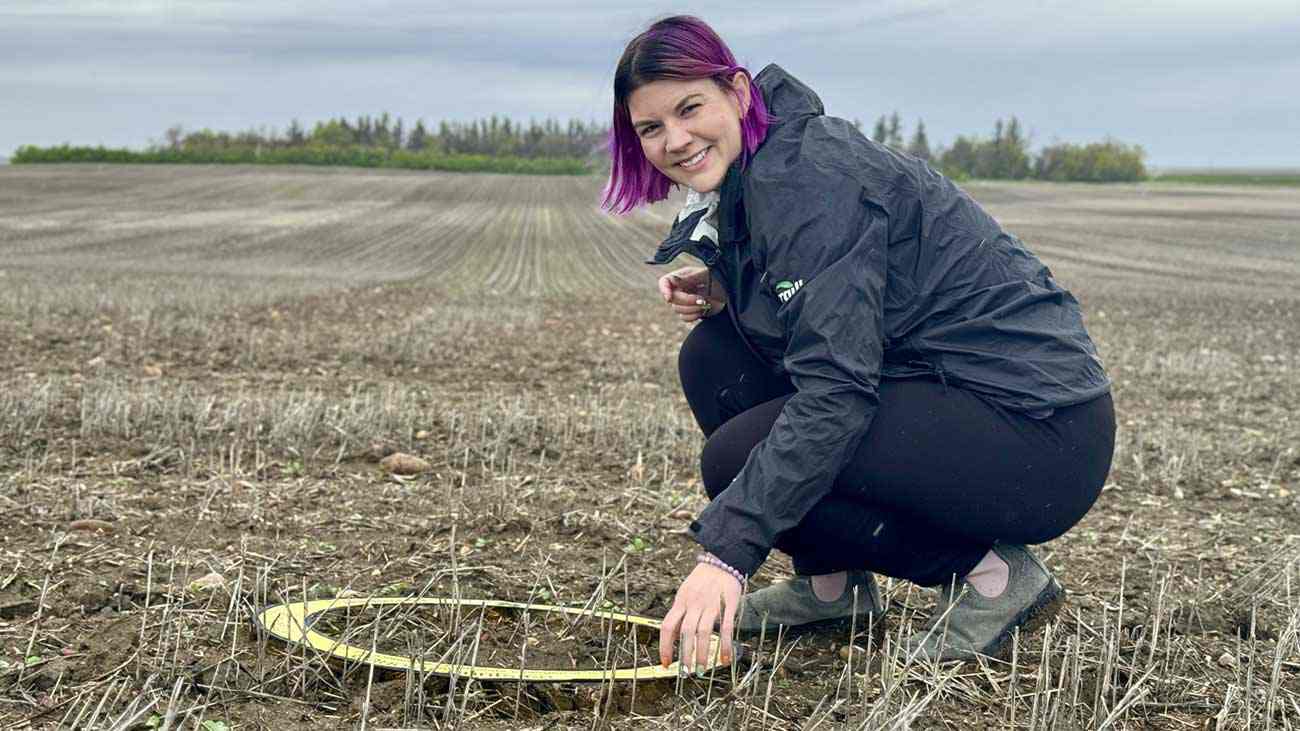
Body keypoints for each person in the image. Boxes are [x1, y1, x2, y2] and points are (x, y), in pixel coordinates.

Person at [602, 16, 1115, 673]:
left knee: (737, 460)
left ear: (734, 90)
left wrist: (727, 553)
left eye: (689, 107)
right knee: (715, 358)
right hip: (958, 389)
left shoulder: (806, 179)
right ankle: (831, 587)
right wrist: (737, 286)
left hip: (1039, 426)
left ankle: (991, 577)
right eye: (651, 127)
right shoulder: (768, 158)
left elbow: (838, 390)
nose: (675, 139)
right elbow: (842, 287)